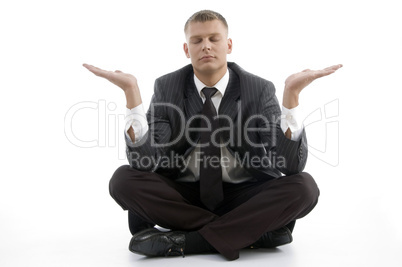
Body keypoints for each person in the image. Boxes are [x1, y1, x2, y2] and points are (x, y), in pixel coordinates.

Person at [83, 10, 342, 261]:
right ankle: (250, 233)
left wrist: (291, 98)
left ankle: (187, 241)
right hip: (185, 195)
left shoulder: (259, 89)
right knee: (122, 180)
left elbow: (291, 166)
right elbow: (144, 163)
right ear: (187, 50)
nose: (206, 46)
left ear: (228, 45)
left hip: (244, 194)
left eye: (213, 39)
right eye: (197, 40)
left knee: (304, 187)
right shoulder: (167, 87)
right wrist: (131, 96)